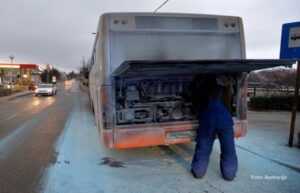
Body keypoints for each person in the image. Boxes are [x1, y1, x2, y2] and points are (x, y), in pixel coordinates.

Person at [191, 74, 238, 181]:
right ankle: (229, 175)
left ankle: (198, 172)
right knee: (228, 149)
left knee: (203, 148)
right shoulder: (225, 90)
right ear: (216, 82)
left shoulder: (201, 92)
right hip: (225, 122)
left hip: (207, 122)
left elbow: (195, 106)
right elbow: (230, 104)